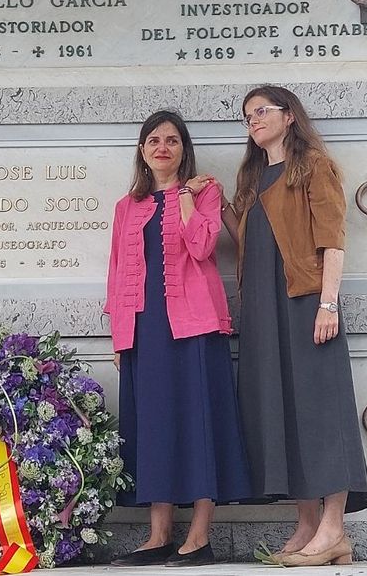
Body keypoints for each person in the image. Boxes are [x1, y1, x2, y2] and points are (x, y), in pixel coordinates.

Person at [222, 85, 367, 567]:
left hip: (306, 303)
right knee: (282, 412)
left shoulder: (315, 168)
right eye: (247, 116)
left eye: (262, 111)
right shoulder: (254, 177)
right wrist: (219, 205)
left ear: (290, 117)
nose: (254, 120)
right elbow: (250, 240)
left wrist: (328, 304)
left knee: (319, 412)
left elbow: (332, 240)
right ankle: (307, 523)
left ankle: (335, 529)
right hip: (264, 311)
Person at [104, 110, 252, 568]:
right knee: (153, 425)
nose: (162, 147)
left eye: (172, 140)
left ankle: (201, 535)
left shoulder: (206, 191)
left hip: (195, 325)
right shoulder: (127, 205)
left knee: (199, 422)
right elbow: (115, 272)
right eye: (153, 140)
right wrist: (118, 337)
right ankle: (159, 534)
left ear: (184, 149)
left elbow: (204, 247)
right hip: (144, 329)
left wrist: (186, 197)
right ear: (142, 150)